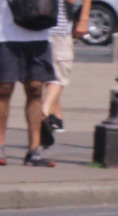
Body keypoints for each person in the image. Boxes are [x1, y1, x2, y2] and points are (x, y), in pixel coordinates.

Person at [1, 0, 57, 167]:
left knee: (35, 87)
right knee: (4, 88)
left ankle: (34, 151)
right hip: (5, 33)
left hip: (39, 30)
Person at [39, 0, 87, 144]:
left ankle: (55, 116)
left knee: (45, 74)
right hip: (58, 29)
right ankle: (44, 111)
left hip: (33, 27)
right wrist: (84, 18)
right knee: (59, 76)